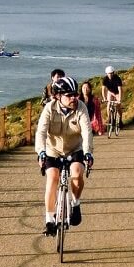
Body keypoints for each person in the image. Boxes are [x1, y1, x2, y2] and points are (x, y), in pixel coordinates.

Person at [35, 76, 94, 236]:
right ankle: (49, 220)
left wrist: (88, 152)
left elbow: (87, 132)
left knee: (76, 173)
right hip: (52, 150)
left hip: (75, 148)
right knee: (52, 178)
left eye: (75, 94)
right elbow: (41, 132)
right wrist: (40, 151)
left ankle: (75, 203)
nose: (74, 98)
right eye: (69, 95)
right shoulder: (49, 108)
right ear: (57, 96)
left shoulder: (81, 107)